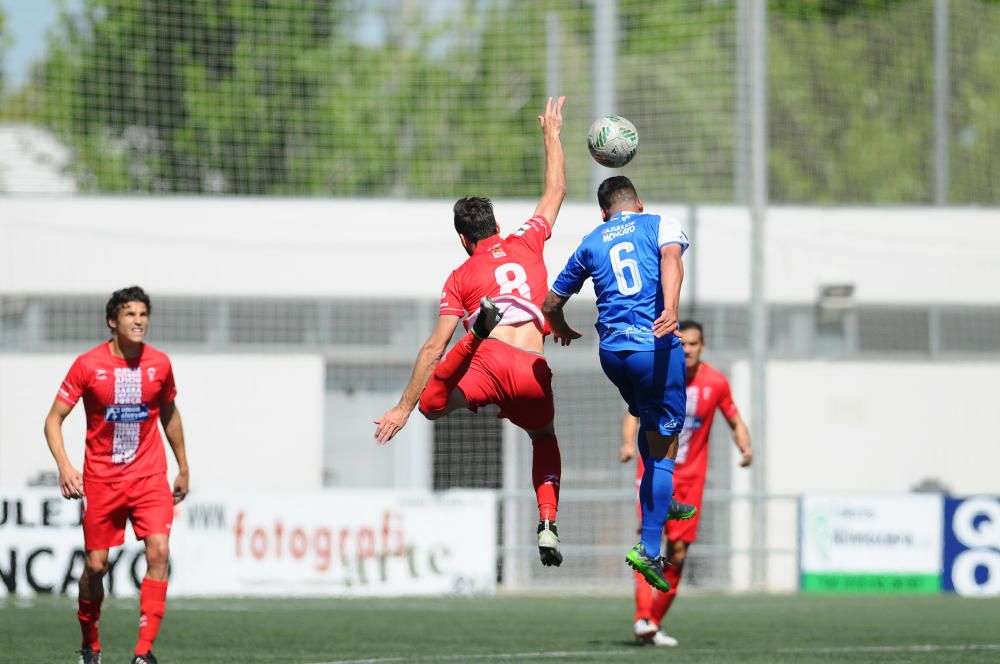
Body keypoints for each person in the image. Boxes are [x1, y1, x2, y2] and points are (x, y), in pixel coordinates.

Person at [374, 97, 567, 566]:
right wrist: (551, 136)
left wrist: (402, 408)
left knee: (431, 404)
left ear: (463, 239)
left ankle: (478, 333)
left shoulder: (460, 278)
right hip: (534, 367)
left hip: (489, 360)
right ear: (498, 225)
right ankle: (546, 522)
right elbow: (556, 191)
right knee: (543, 438)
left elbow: (433, 346)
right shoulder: (527, 240)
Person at [543, 175, 693, 592]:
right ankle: (648, 547)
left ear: (604, 212)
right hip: (655, 347)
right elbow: (671, 261)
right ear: (639, 203)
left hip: (612, 354)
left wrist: (560, 326)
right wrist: (672, 310)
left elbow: (552, 302)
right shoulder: (661, 223)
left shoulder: (592, 240)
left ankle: (661, 500)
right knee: (664, 450)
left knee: (648, 423)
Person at [44, 286, 190, 664]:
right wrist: (65, 465)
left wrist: (183, 466)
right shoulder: (88, 365)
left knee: (159, 551)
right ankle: (89, 643)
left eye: (143, 314)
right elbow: (53, 420)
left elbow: (170, 414)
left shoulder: (160, 363)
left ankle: (144, 654)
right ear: (113, 321)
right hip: (103, 480)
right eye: (130, 314)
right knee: (96, 566)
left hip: (149, 477)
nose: (139, 321)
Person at [621, 319, 752, 646]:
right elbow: (633, 413)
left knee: (678, 552)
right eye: (684, 344)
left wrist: (745, 446)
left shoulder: (716, 382)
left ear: (702, 346)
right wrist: (626, 443)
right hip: (654, 469)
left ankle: (653, 621)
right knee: (648, 542)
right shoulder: (661, 371)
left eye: (694, 344)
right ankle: (642, 617)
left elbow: (735, 420)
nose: (689, 350)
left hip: (691, 478)